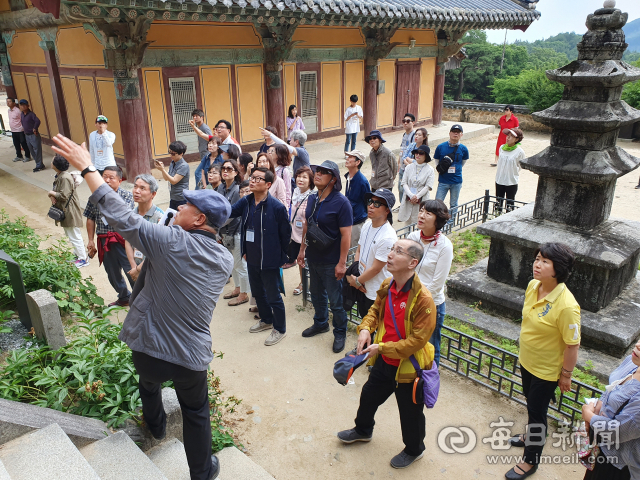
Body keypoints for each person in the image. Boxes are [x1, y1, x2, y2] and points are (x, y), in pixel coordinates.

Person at [52, 133, 234, 480]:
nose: (179, 207)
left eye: (187, 206)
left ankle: (157, 427)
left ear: (198, 220)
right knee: (197, 411)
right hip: (191, 355)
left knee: (148, 385)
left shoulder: (171, 242)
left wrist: (87, 167)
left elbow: (123, 218)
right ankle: (202, 472)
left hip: (150, 349)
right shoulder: (223, 258)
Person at [337, 238, 436, 470]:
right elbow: (375, 310)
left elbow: (417, 341)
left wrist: (381, 348)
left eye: (397, 251)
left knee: (410, 413)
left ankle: (414, 449)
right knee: (369, 396)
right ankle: (363, 430)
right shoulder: (388, 285)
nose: (390, 254)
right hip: (384, 360)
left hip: (408, 367)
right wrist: (364, 329)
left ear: (412, 263)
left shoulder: (424, 300)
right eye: (391, 249)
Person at [506, 243, 580, 480]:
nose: (537, 264)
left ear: (558, 269)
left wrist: (566, 375)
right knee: (531, 404)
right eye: (537, 258)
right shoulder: (533, 285)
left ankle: (530, 461)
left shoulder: (567, 306)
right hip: (527, 360)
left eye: (545, 261)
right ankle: (529, 436)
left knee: (538, 414)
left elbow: (572, 344)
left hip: (546, 371)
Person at [228, 167, 291, 346]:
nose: (253, 181)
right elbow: (230, 212)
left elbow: (285, 234)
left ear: (268, 184)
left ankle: (279, 329)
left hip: (269, 260)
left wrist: (281, 258)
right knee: (258, 292)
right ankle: (266, 319)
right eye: (252, 177)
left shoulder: (277, 207)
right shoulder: (247, 202)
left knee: (273, 296)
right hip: (252, 257)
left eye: (258, 179)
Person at [297, 160, 353, 353]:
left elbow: (346, 235)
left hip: (331, 261)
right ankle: (321, 323)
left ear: (333, 179)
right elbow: (306, 225)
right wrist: (302, 251)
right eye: (317, 171)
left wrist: (341, 263)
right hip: (313, 256)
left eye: (323, 172)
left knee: (336, 300)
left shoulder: (341, 203)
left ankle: (340, 332)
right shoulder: (312, 198)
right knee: (317, 295)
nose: (318, 174)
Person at [581, 340, 640, 480]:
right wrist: (598, 406)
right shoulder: (633, 361)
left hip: (619, 462)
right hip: (602, 447)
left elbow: (618, 431)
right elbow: (612, 386)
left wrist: (589, 416)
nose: (638, 345)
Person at [407, 200, 453, 366]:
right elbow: (405, 268)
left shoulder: (444, 246)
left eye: (428, 213)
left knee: (430, 347)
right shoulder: (412, 238)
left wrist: (414, 299)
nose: (421, 215)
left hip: (430, 304)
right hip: (408, 299)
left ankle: (428, 382)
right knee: (408, 340)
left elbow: (437, 284)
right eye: (421, 211)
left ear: (438, 219)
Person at [83, 165, 135, 307]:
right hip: (104, 239)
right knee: (112, 272)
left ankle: (140, 299)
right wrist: (90, 240)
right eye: (104, 177)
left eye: (111, 178)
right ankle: (124, 296)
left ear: (120, 180)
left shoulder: (127, 196)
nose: (106, 180)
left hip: (123, 240)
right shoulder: (95, 197)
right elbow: (90, 218)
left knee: (131, 269)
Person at [346, 188, 397, 318]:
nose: (371, 206)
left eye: (377, 203)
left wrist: (356, 281)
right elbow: (359, 250)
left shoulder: (388, 237)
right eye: (370, 201)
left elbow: (376, 269)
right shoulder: (367, 225)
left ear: (387, 210)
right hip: (362, 284)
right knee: (364, 321)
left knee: (375, 326)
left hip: (376, 291)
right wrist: (357, 276)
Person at [217, 159, 249, 307]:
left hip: (236, 231)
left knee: (240, 264)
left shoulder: (237, 190)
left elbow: (233, 215)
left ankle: (244, 294)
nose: (225, 171)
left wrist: (214, 226)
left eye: (229, 169)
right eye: (223, 168)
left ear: (236, 172)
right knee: (233, 264)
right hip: (224, 231)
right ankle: (237, 288)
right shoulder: (221, 188)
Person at [48, 155, 87, 268]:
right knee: (72, 233)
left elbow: (63, 195)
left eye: (52, 161)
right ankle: (78, 254)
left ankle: (83, 259)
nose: (51, 162)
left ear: (56, 165)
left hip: (70, 210)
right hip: (67, 209)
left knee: (74, 234)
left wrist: (51, 193)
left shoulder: (64, 177)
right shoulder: (62, 175)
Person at [125, 174, 164, 282]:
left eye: (142, 188)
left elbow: (157, 250)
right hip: (136, 266)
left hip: (154, 269)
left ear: (153, 194)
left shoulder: (160, 218)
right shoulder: (131, 215)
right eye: (135, 186)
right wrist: (133, 267)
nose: (136, 191)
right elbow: (128, 241)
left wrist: (139, 270)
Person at [433, 124, 470, 223]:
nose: (455, 133)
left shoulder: (464, 149)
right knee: (438, 202)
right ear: (449, 133)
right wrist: (441, 169)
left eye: (458, 132)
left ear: (461, 135)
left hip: (456, 181)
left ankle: (450, 222)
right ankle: (439, 221)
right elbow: (436, 160)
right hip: (443, 180)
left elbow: (463, 162)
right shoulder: (441, 147)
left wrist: (456, 169)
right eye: (454, 131)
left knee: (454, 203)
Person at [287, 166, 315, 289]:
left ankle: (313, 285)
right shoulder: (296, 193)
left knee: (311, 262)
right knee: (300, 260)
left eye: (305, 177)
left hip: (308, 235)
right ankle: (303, 283)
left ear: (310, 181)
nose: (301, 179)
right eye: (299, 176)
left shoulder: (312, 197)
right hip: (295, 234)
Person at [398, 145, 435, 224]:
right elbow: (404, 183)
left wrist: (417, 196)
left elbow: (428, 186)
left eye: (421, 153)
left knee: (420, 220)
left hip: (422, 197)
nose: (418, 155)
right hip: (408, 196)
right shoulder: (408, 167)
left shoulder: (430, 170)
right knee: (407, 220)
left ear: (426, 156)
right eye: (416, 153)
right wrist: (411, 195)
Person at [343, 149, 371, 248]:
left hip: (357, 221)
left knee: (354, 249)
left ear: (357, 162)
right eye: (348, 156)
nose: (347, 159)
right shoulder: (348, 177)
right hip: (348, 219)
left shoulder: (362, 181)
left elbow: (368, 200)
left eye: (350, 157)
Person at [495, 128, 525, 213]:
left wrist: (511, 172)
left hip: (511, 181)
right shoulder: (501, 148)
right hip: (499, 179)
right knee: (498, 202)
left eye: (511, 136)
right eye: (508, 136)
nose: (508, 138)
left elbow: (520, 166)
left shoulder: (520, 152)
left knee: (510, 203)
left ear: (517, 139)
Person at [155, 141, 190, 210]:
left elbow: (174, 181)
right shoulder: (173, 162)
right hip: (173, 197)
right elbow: (166, 178)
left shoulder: (184, 166)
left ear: (181, 153)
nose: (171, 155)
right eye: (170, 152)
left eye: (173, 153)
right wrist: (162, 169)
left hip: (181, 198)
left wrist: (162, 170)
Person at [18, 99, 45, 172]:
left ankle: (39, 165)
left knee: (37, 150)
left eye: (24, 105)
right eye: (21, 105)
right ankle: (39, 164)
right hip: (27, 135)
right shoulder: (22, 114)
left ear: (28, 106)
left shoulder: (31, 114)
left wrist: (35, 129)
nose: (23, 106)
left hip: (33, 134)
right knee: (31, 150)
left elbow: (37, 121)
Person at [398, 113, 416, 201]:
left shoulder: (414, 135)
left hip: (409, 166)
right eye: (404, 121)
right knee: (400, 187)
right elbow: (402, 150)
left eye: (408, 121)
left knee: (407, 188)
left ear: (413, 123)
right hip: (402, 166)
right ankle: (402, 206)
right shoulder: (404, 135)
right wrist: (399, 163)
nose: (405, 123)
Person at [7, 98, 30, 163]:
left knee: (23, 143)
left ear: (14, 103)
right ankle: (19, 156)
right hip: (13, 131)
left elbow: (22, 119)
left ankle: (27, 156)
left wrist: (22, 128)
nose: (8, 103)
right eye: (7, 102)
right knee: (16, 144)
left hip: (20, 130)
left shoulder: (17, 111)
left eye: (9, 101)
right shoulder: (9, 111)